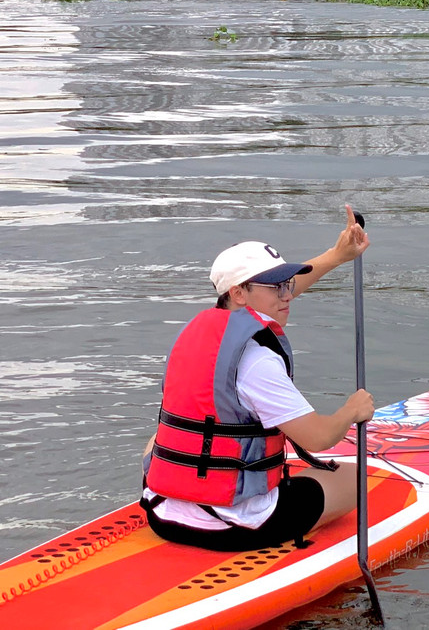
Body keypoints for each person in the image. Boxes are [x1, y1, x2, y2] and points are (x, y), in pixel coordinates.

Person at [141, 207, 375, 551]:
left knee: (161, 438)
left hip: (161, 513)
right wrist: (352, 411)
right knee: (353, 478)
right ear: (238, 293)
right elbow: (320, 438)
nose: (287, 295)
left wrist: (338, 255)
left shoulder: (196, 337)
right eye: (276, 287)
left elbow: (277, 293)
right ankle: (254, 514)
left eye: (287, 285)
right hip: (235, 527)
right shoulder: (257, 361)